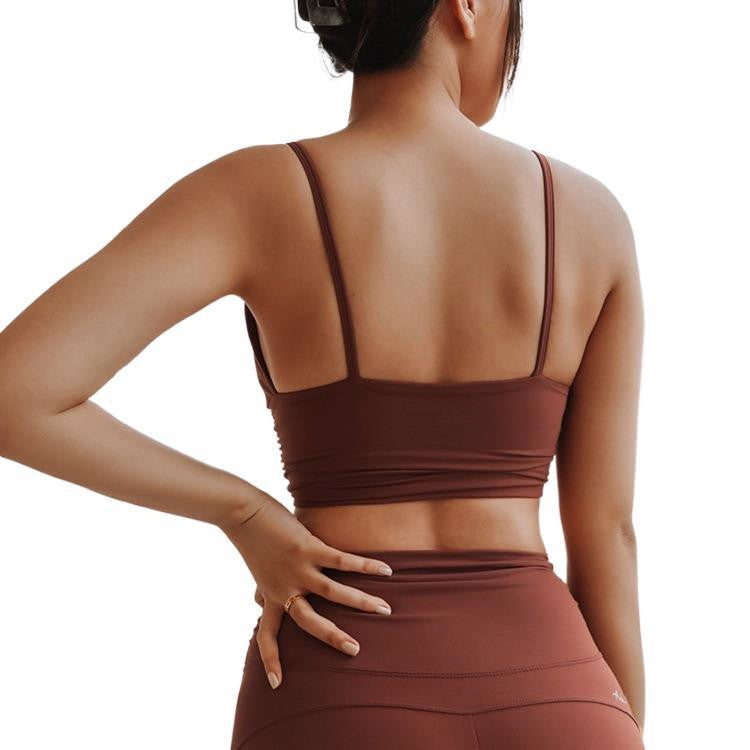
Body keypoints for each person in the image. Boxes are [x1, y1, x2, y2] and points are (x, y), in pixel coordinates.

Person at [0, 1, 646, 747]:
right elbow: (608, 535)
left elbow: (16, 392)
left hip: (342, 684)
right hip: (559, 693)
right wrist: (618, 722)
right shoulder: (592, 216)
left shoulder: (259, 191)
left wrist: (244, 513)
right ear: (467, 6)